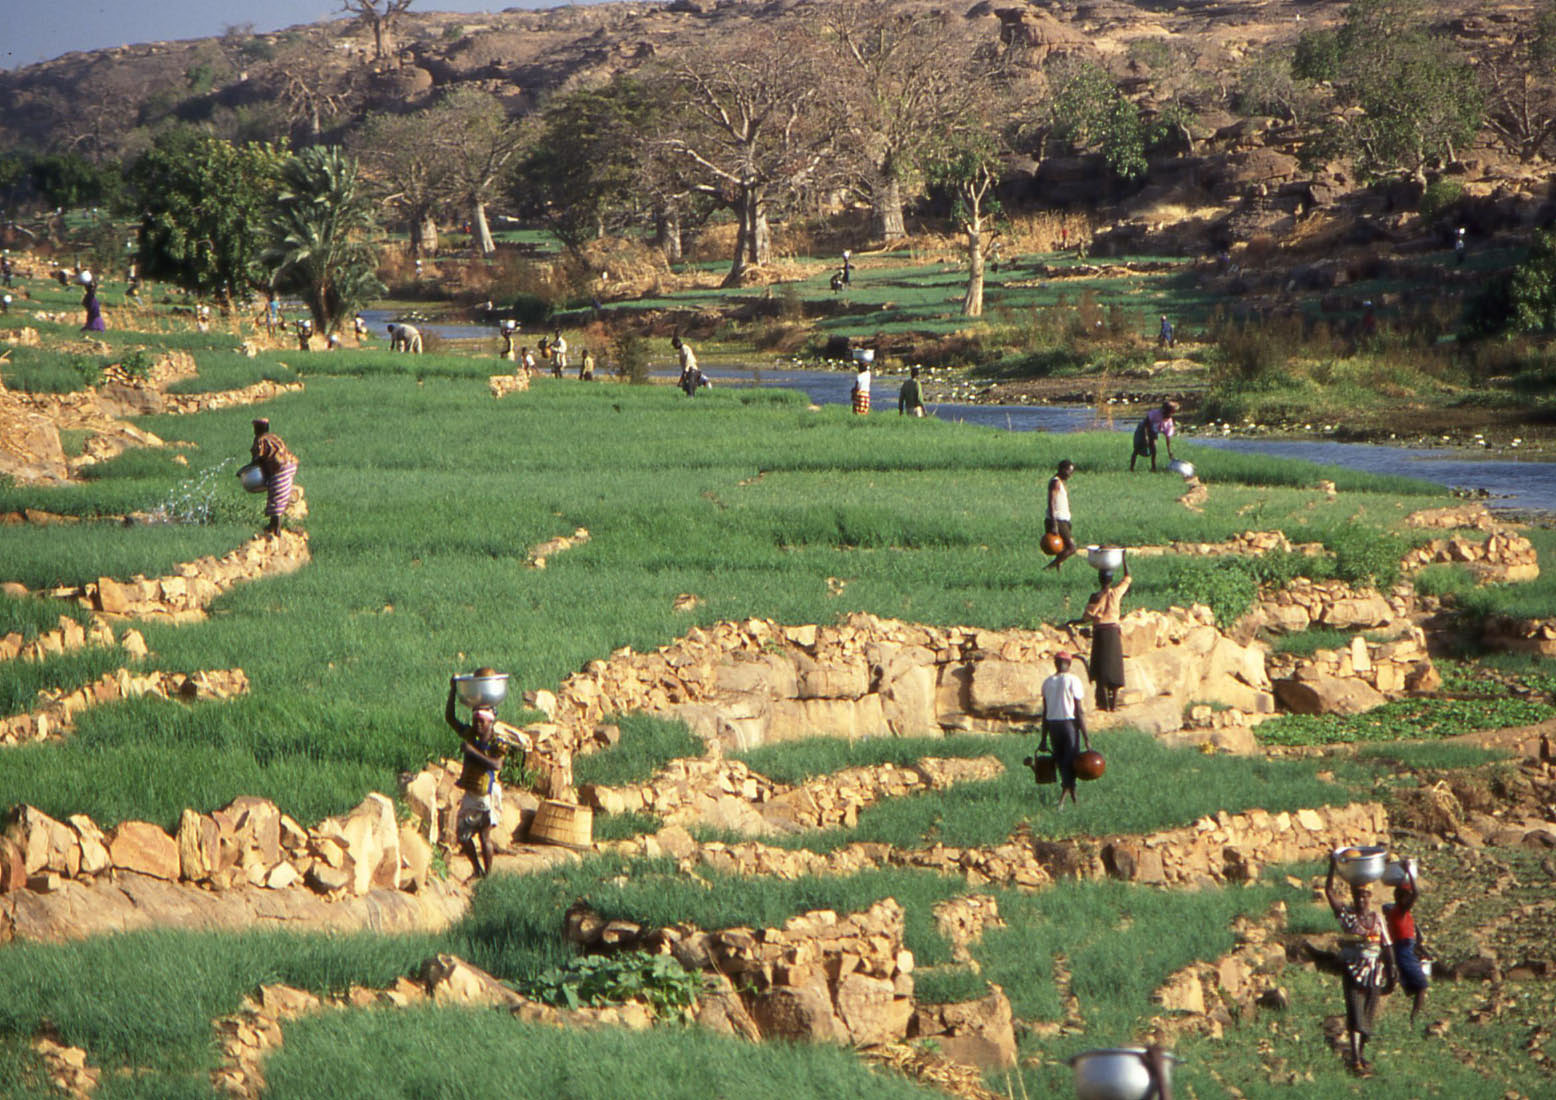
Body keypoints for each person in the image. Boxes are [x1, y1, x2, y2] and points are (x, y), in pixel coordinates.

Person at [1326, 851, 1396, 1074]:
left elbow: (1387, 945)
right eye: (1358, 896)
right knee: (1355, 1013)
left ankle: (1360, 1054)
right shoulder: (1348, 917)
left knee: (1367, 1015)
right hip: (1352, 970)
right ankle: (1355, 1059)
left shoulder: (1377, 919)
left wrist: (1392, 970)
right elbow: (1329, 893)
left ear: (1370, 897)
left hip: (1374, 971)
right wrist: (1332, 866)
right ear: (1354, 898)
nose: (1361, 900)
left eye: (1365, 896)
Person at [444, 678, 509, 878]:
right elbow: (450, 718)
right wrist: (453, 691)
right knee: (463, 835)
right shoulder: (471, 735)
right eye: (475, 721)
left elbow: (497, 765)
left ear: (490, 722)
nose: (477, 725)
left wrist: (472, 752)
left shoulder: (497, 743)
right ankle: (477, 870)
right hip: (471, 794)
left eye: (481, 721)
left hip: (486, 795)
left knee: (484, 836)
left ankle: (487, 874)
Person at [1038, 651, 1089, 808]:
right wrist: (1086, 738)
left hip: (1053, 726)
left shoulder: (1047, 682)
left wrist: (1043, 738)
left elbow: (1045, 713)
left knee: (1062, 763)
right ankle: (1062, 801)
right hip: (1069, 725)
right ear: (1070, 664)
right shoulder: (1073, 680)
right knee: (1071, 762)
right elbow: (1079, 711)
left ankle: (1073, 799)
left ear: (1055, 663)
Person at [1384, 860, 1431, 1024]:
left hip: (1404, 948)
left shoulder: (1396, 911)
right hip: (1404, 950)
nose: (1410, 899)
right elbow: (1416, 893)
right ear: (1401, 898)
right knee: (1422, 986)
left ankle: (1414, 1016)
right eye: (1407, 896)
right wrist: (1408, 872)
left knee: (1415, 987)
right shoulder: (1400, 911)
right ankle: (1414, 1019)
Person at [1082, 553, 1130, 710]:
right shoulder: (1116, 593)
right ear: (1111, 580)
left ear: (1099, 580)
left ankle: (1105, 705)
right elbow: (1128, 578)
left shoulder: (1095, 596)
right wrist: (1123, 559)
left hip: (1100, 633)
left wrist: (1075, 622)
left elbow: (1086, 617)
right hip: (1113, 632)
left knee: (1101, 667)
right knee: (1114, 667)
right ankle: (1113, 704)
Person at [249, 418, 299, 538]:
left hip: (281, 468)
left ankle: (275, 527)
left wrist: (247, 470)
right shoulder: (273, 437)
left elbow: (258, 458)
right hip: (290, 464)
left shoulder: (261, 440)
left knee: (276, 495)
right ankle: (273, 524)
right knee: (278, 493)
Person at [1043, 460, 1078, 571]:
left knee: (1061, 548)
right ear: (1062, 469)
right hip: (1058, 520)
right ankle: (1048, 568)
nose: (1070, 474)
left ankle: (1058, 571)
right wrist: (1054, 523)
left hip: (1062, 519)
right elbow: (1051, 502)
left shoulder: (1060, 482)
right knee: (1071, 548)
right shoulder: (1055, 482)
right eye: (1069, 471)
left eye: (1072, 472)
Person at [1131, 401, 1178, 473]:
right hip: (1143, 429)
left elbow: (1167, 437)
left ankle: (1153, 468)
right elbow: (1146, 424)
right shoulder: (1155, 414)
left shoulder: (1169, 422)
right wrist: (1146, 436)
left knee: (1153, 449)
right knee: (1137, 448)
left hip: (1153, 431)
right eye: (1172, 412)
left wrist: (1169, 451)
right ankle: (1131, 468)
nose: (1172, 414)